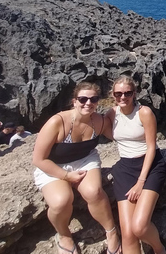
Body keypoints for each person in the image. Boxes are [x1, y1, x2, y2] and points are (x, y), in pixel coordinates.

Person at [32, 82, 121, 254]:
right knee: (61, 201)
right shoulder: (57, 122)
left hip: (84, 159)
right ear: (74, 101)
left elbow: (120, 136)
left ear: (98, 102)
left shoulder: (99, 122)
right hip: (53, 164)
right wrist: (66, 176)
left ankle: (111, 232)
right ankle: (64, 234)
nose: (88, 103)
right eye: (83, 99)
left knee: (93, 192)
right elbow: (39, 159)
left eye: (93, 99)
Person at [104, 75, 166, 254]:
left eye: (127, 93)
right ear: (113, 95)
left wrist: (141, 182)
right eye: (118, 94)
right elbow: (104, 130)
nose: (123, 97)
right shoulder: (111, 113)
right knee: (128, 234)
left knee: (139, 227)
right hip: (125, 169)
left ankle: (159, 249)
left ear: (134, 93)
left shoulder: (144, 112)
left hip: (150, 166)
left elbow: (151, 147)